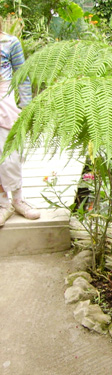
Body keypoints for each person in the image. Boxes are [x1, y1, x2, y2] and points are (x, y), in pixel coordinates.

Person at [0, 19, 40, 226]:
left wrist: (26, 106)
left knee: (11, 151)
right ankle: (2, 203)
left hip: (4, 101)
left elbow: (22, 75)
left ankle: (18, 199)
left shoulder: (10, 42)